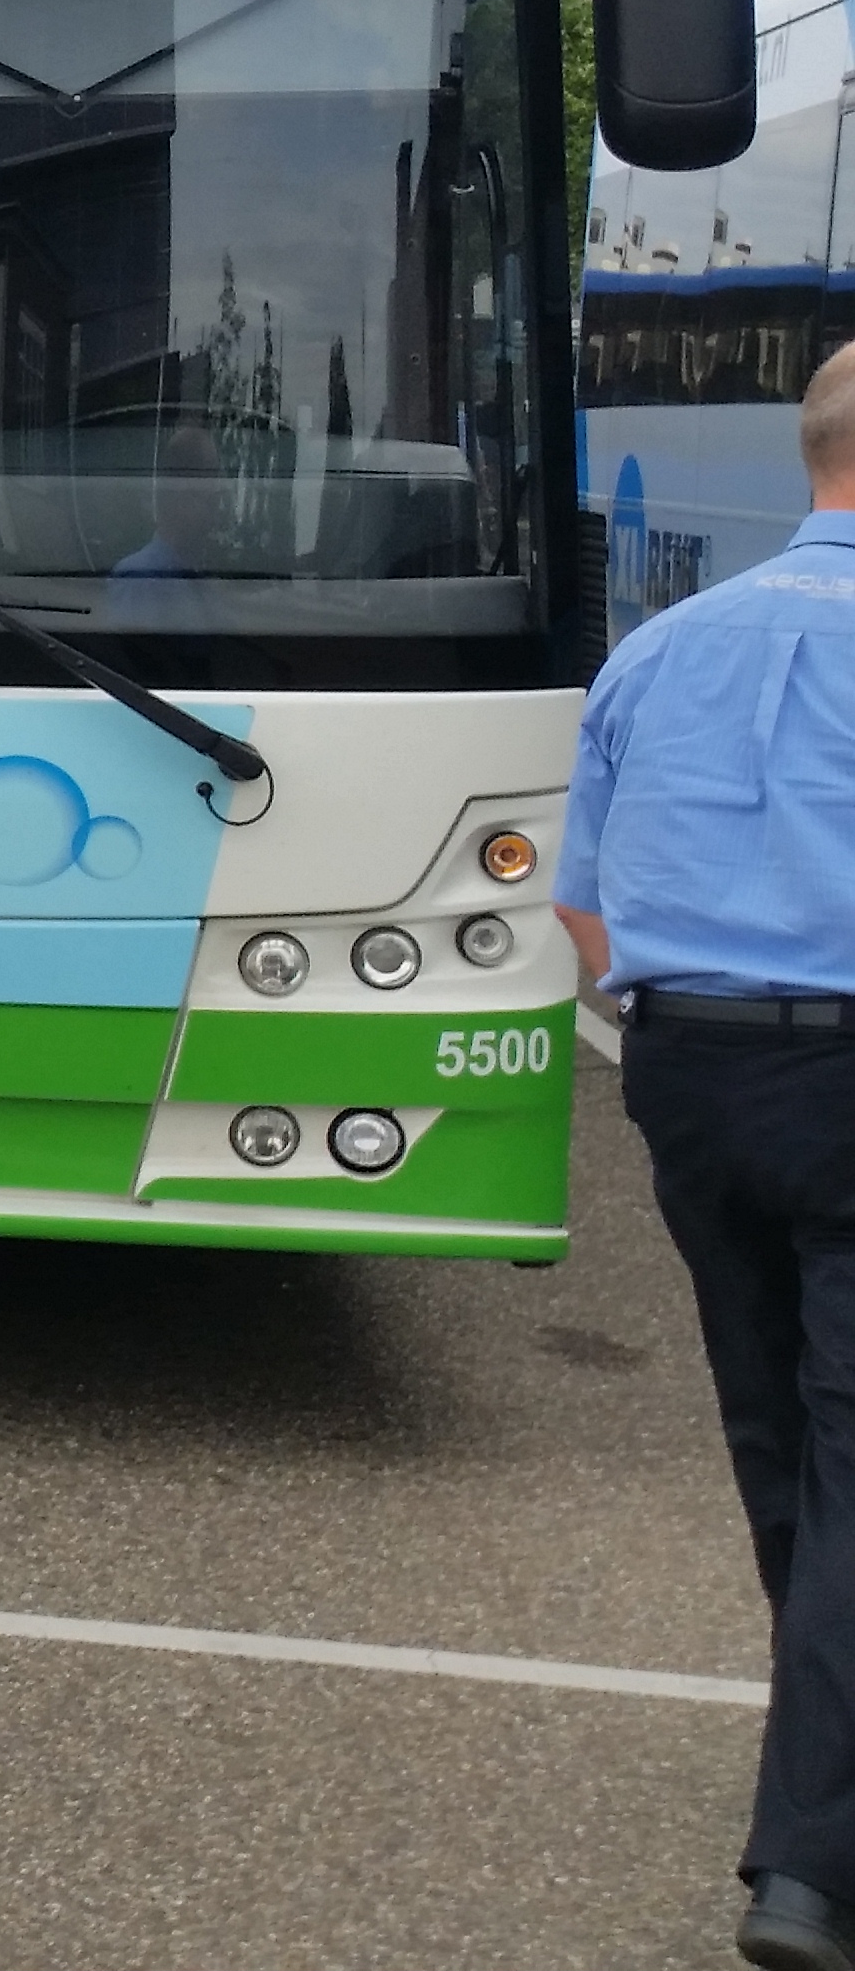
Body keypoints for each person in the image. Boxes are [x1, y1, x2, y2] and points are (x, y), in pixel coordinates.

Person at [564, 340, 855, 1971]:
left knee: (781, 1443)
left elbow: (586, 915)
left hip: (691, 1074)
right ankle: (806, 1865)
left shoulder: (661, 648)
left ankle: (820, 1787)